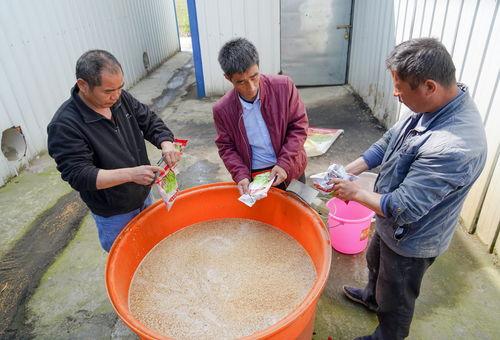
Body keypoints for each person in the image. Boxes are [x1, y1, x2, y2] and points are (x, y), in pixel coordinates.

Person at [330, 38, 487, 339]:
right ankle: (371, 297)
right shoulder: (434, 103)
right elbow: (390, 140)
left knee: (398, 296)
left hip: (413, 239)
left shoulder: (454, 146)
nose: (395, 93)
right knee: (375, 259)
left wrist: (355, 193)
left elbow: (404, 207)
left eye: (400, 88)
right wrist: (350, 170)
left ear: (429, 86)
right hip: (390, 224)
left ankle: (387, 334)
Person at [48, 50, 181, 252]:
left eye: (120, 87)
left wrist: (166, 142)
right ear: (83, 85)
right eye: (109, 91)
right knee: (125, 255)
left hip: (142, 195)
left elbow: (149, 120)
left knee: (151, 245)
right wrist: (130, 174)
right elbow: (79, 175)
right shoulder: (65, 125)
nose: (116, 95)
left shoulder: (120, 99)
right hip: (113, 211)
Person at [212, 38, 308, 194]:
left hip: (291, 168)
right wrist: (240, 174)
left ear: (258, 66)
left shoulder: (284, 87)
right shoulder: (222, 109)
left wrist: (284, 163)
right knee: (265, 217)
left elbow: (299, 126)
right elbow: (226, 147)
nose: (250, 87)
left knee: (301, 208)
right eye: (241, 82)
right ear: (228, 78)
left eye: (254, 77)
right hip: (255, 176)